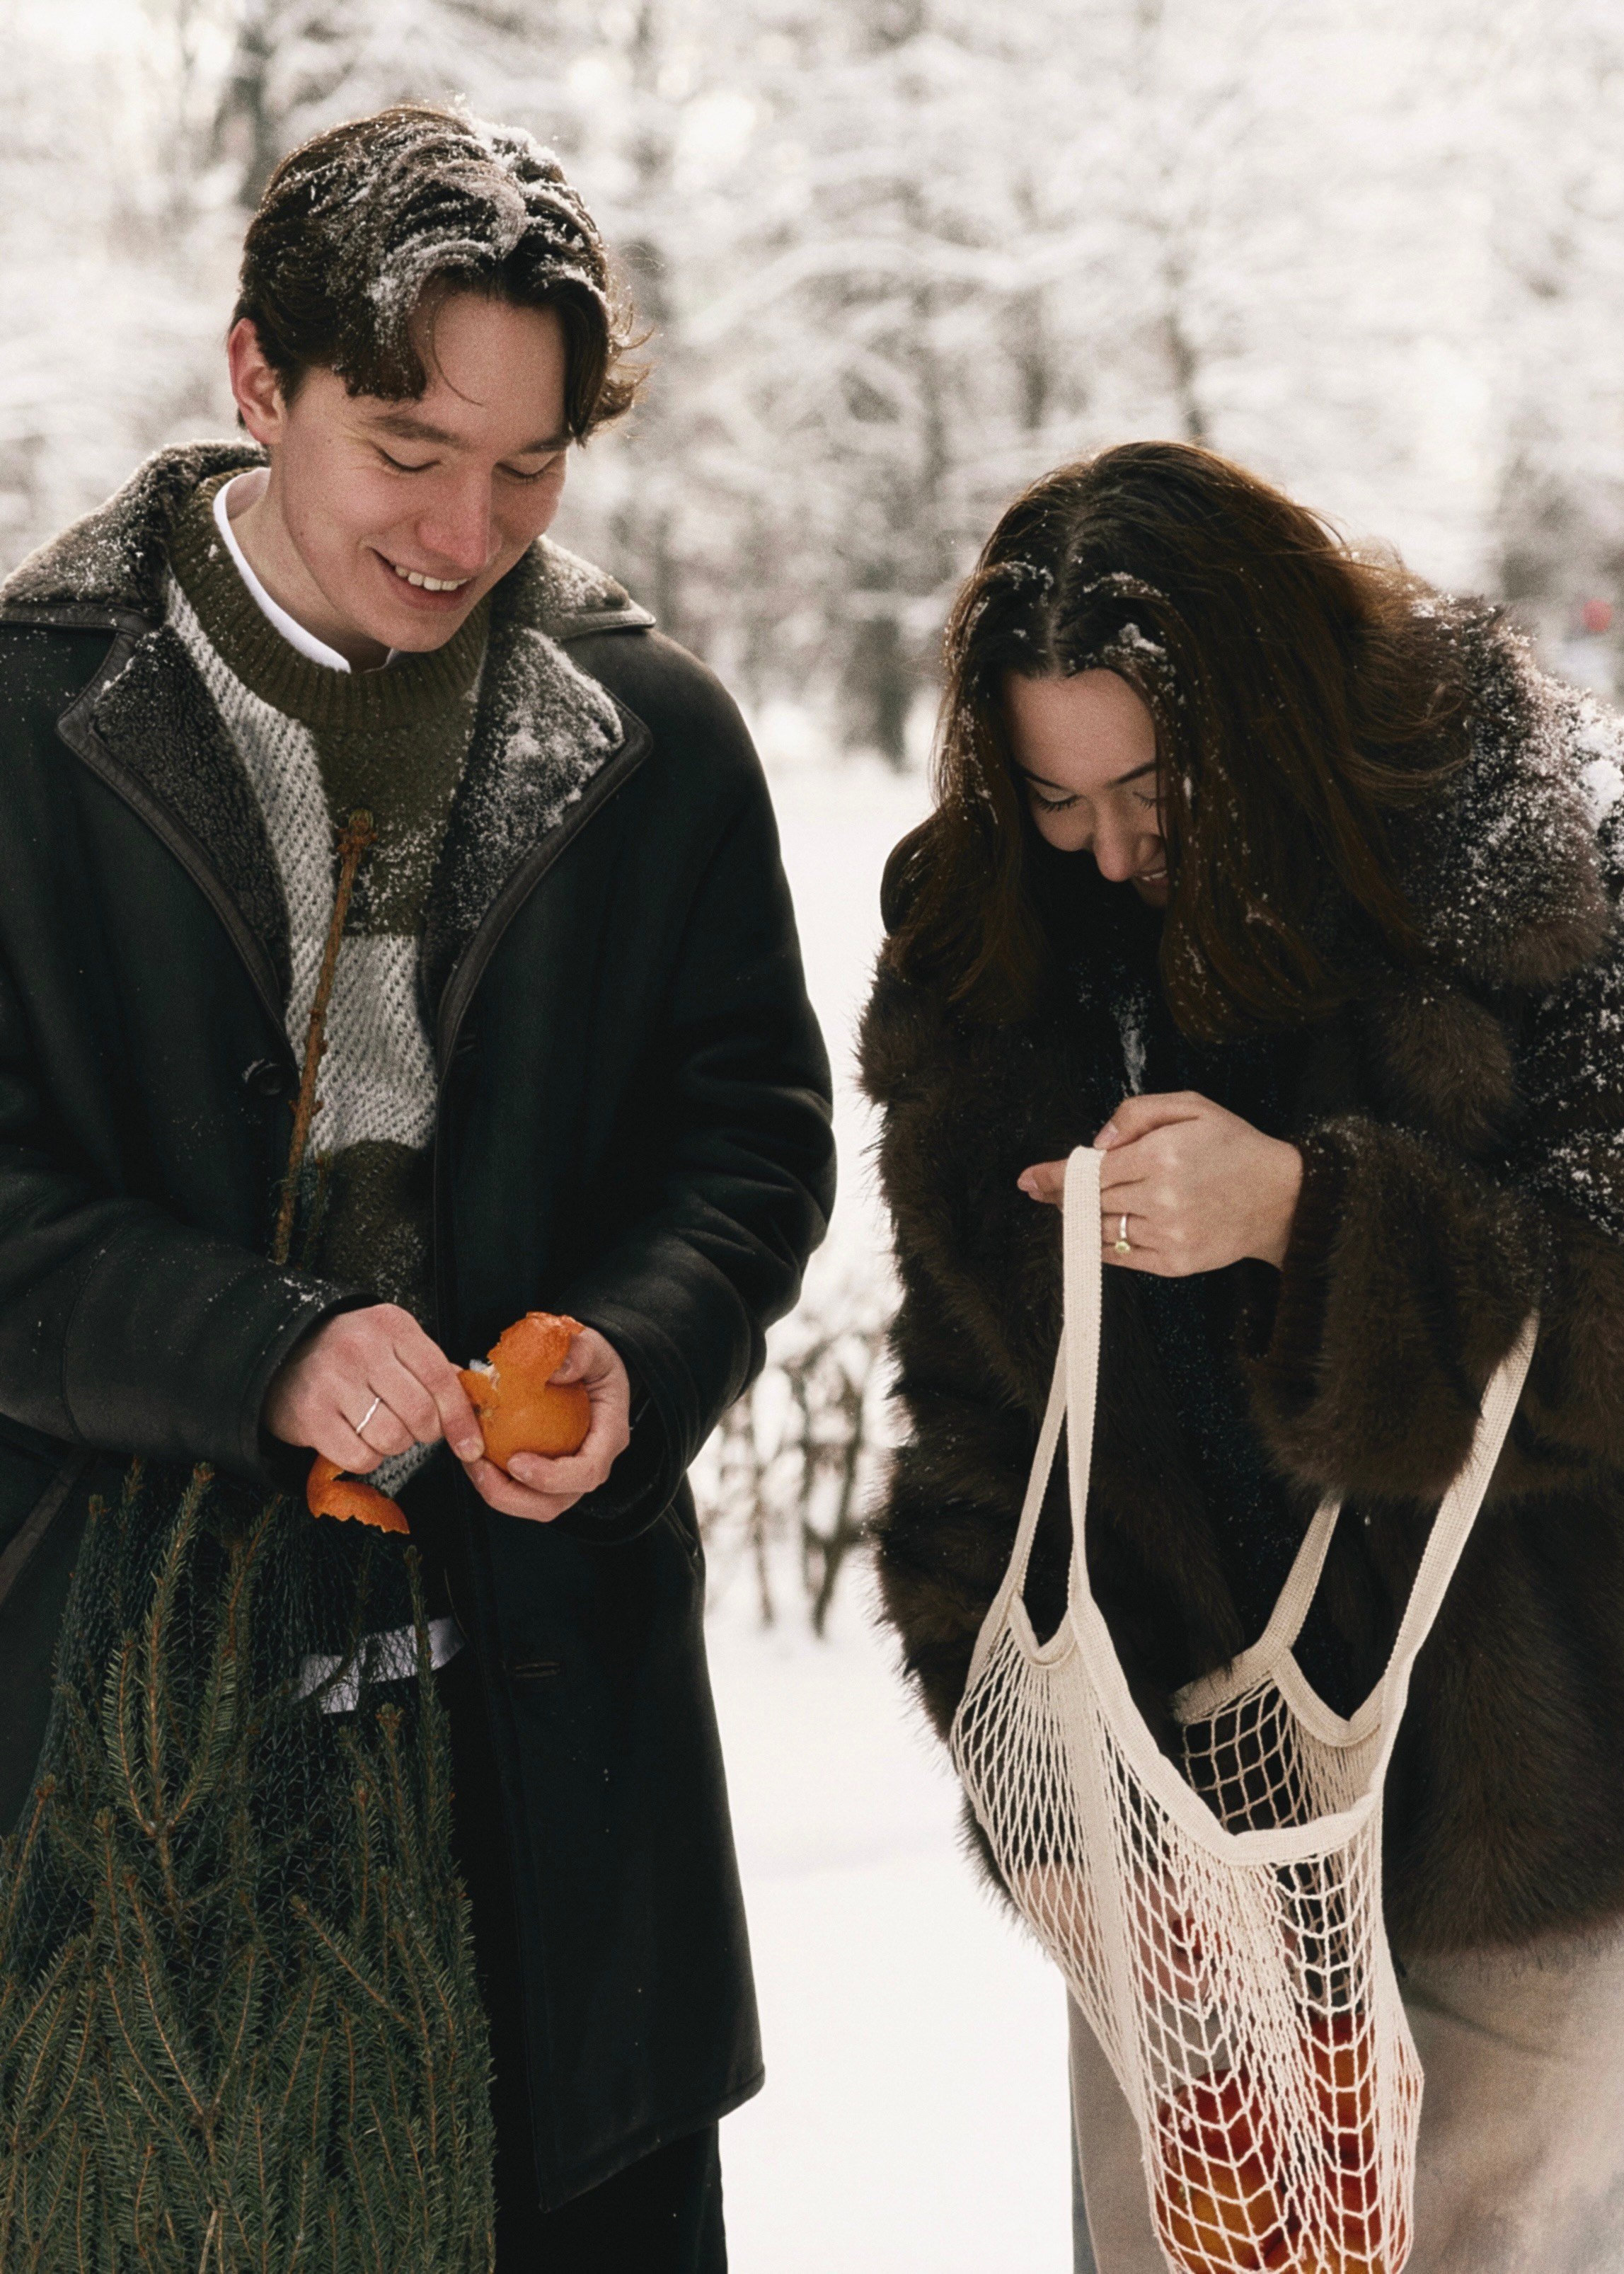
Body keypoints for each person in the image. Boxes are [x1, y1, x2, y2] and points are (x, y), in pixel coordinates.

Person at [0, 103, 833, 2272]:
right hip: (92, 1722)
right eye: (408, 447)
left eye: (530, 465)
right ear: (258, 377)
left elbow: (747, 1132)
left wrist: (639, 1348)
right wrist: (256, 1349)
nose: (470, 527)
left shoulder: (653, 738)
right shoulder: (22, 723)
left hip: (539, 1727)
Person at [859, 441, 1624, 2272]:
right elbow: (968, 1437)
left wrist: (1317, 1231)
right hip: (1174, 1818)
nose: (1109, 849)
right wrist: (1055, 1813)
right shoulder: (997, 944)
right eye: (1053, 796)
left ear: (1274, 718)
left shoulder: (1561, 854)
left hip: (1542, 1802)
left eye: (1152, 789)